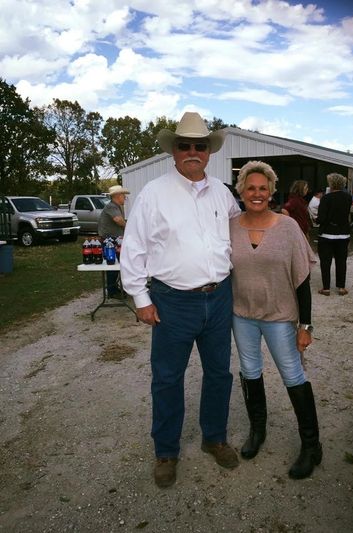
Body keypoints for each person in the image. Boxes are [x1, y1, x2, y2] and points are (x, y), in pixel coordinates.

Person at [120, 112, 241, 488]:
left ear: (209, 152)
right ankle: (166, 451)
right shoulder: (153, 193)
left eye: (199, 146)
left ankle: (214, 437)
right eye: (185, 145)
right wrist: (140, 297)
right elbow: (134, 248)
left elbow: (240, 231)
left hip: (219, 297)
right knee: (168, 379)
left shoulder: (223, 192)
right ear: (174, 150)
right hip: (173, 301)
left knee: (220, 373)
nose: (192, 151)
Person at [230, 160, 322, 479]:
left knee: (292, 375)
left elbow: (302, 279)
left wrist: (305, 326)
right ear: (241, 191)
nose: (257, 193)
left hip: (280, 317)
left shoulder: (287, 228)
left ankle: (311, 445)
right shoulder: (230, 226)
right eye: (250, 188)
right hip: (242, 316)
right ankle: (258, 431)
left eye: (263, 188)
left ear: (271, 192)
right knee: (250, 371)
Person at [316, 173, 352, 296]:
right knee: (341, 261)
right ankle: (341, 287)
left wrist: (316, 220)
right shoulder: (348, 197)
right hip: (343, 234)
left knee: (325, 262)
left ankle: (326, 288)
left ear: (331, 184)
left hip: (327, 234)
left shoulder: (326, 198)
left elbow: (321, 218)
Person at [98, 185, 130, 299]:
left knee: (116, 264)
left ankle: (114, 288)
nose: (125, 198)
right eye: (123, 195)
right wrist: (129, 227)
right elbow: (118, 220)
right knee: (113, 265)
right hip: (109, 241)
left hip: (113, 240)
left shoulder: (116, 206)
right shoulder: (112, 206)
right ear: (117, 196)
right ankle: (112, 291)